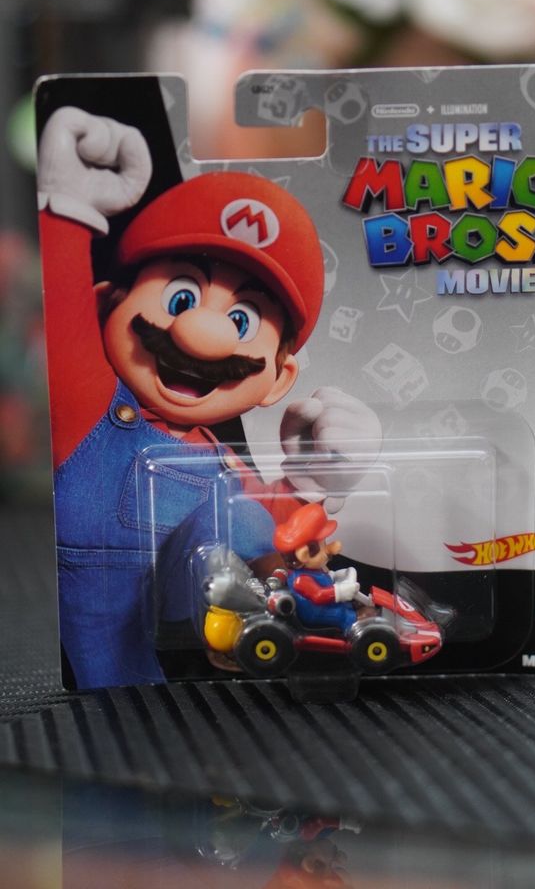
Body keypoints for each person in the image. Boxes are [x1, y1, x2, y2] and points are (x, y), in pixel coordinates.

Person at [37, 106, 380, 688]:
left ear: (279, 379)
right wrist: (68, 208)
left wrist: (320, 477)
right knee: (121, 713)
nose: (204, 334)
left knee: (239, 513)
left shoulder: (226, 464)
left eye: (242, 318)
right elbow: (62, 315)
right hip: (105, 618)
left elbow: (277, 531)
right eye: (182, 297)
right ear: (106, 305)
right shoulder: (89, 410)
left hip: (193, 619)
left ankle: (249, 622)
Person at [273, 503, 360, 634]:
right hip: (315, 613)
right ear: (304, 555)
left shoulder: (311, 571)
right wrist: (341, 591)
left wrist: (333, 576)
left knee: (348, 605)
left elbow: (322, 579)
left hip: (323, 607)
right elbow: (318, 595)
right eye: (322, 546)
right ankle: (355, 631)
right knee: (342, 614)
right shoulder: (301, 580)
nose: (328, 549)